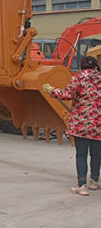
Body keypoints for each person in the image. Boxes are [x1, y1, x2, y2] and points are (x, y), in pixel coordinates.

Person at [43, 56, 101, 196]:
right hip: (98, 124)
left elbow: (66, 94)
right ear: (96, 66)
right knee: (96, 154)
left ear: (82, 67)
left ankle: (81, 186)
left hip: (80, 124)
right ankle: (94, 181)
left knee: (81, 154)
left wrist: (51, 90)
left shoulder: (78, 79)